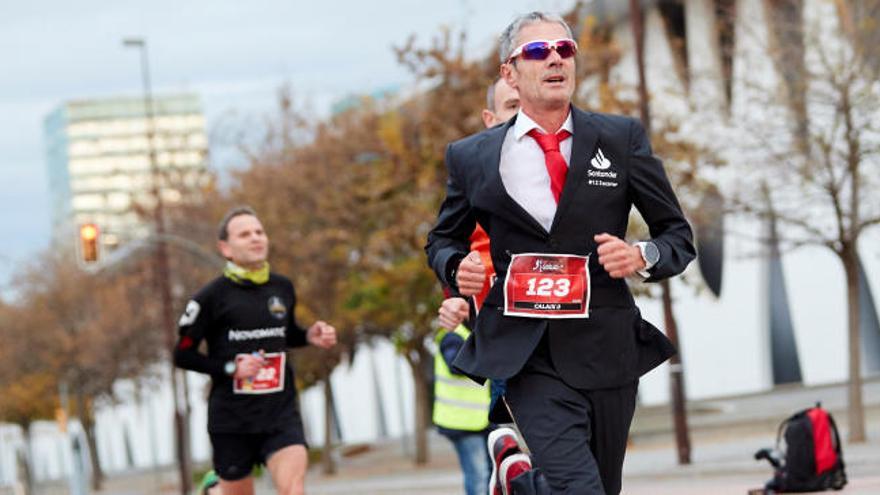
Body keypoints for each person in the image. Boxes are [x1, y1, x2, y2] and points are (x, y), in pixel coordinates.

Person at [426, 11, 695, 495]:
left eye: (564, 50)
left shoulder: (619, 138)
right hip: (527, 352)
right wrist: (455, 265)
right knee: (581, 488)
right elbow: (442, 239)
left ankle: (525, 486)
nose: (554, 59)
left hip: (606, 345)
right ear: (510, 72)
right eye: (537, 51)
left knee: (599, 485)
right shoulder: (472, 157)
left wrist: (642, 254)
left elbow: (677, 235)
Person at [174, 206, 337, 495]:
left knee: (293, 490)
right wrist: (230, 367)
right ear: (225, 248)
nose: (255, 238)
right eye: (245, 234)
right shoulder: (210, 297)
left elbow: (286, 334)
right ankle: (215, 489)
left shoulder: (282, 288)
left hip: (280, 413)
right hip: (232, 421)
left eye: (259, 232)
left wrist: (310, 335)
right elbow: (182, 355)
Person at [433, 77, 521, 495]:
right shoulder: (475, 181)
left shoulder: (572, 166)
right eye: (511, 106)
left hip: (580, 336)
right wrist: (454, 299)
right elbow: (448, 250)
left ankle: (514, 471)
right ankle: (513, 467)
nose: (523, 116)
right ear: (490, 119)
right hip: (508, 341)